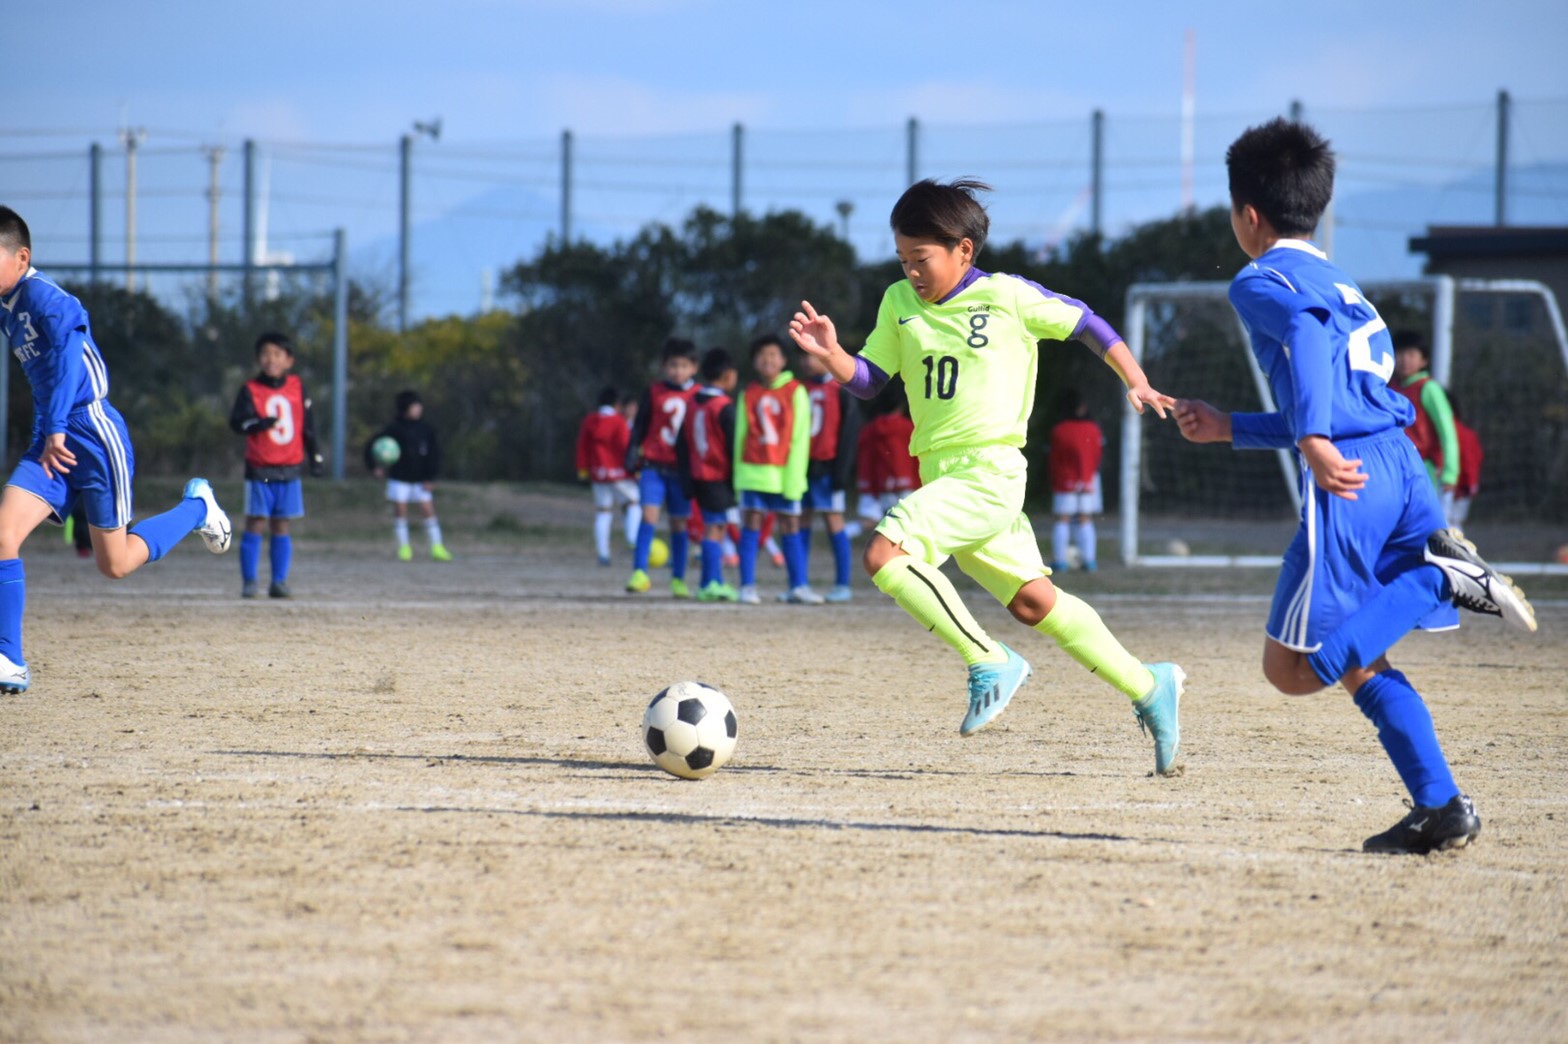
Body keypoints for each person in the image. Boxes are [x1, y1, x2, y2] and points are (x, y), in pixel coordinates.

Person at [1172, 118, 1538, 853]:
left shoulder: (1261, 278)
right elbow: (1347, 401)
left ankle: (1437, 578)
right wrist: (1232, 426)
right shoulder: (1341, 280)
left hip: (1353, 483)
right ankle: (1441, 806)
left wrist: (1308, 436)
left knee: (1293, 669)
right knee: (1361, 658)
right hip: (1397, 466)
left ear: (1249, 214)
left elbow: (1307, 344)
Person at [787, 178, 1185, 774]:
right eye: (903, 259)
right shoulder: (898, 303)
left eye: (921, 259)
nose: (912, 271)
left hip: (991, 473)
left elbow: (1087, 324)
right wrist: (833, 355)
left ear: (964, 250)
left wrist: (1135, 377)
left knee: (884, 553)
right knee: (1033, 602)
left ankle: (988, 660)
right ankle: (1150, 687)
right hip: (943, 476)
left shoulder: (1008, 297)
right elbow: (871, 381)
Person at [0, 205, 231, 693]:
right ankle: (10, 660)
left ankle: (197, 508)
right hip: (51, 440)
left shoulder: (48, 299)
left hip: (91, 432)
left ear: (22, 257)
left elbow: (68, 365)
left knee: (117, 563)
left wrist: (58, 424)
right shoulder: (9, 303)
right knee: (2, 534)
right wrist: (49, 430)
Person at [228, 331, 325, 598]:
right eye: (265, 354)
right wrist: (258, 424)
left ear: (288, 360)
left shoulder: (297, 387)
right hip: (261, 469)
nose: (270, 360)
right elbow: (237, 423)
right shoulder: (250, 389)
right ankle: (250, 581)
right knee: (256, 522)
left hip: (290, 468)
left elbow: (308, 425)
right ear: (259, 359)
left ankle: (278, 581)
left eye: (277, 354)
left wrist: (315, 456)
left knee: (282, 524)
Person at [734, 333, 817, 605]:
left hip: (784, 475)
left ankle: (799, 586)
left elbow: (800, 437)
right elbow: (740, 436)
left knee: (791, 525)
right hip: (753, 473)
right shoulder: (748, 393)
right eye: (761, 356)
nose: (767, 360)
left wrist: (795, 479)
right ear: (754, 362)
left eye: (772, 355)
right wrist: (738, 477)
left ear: (783, 360)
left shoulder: (796, 390)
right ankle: (747, 586)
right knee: (751, 526)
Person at [625, 338, 699, 596]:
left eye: (683, 365)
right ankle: (639, 573)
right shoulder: (654, 392)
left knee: (680, 524)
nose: (677, 371)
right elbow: (641, 425)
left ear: (694, 368)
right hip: (653, 467)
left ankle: (678, 578)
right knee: (648, 517)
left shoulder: (698, 395)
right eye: (672, 365)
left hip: (681, 472)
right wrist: (632, 451)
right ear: (664, 367)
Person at [798, 348, 862, 602]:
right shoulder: (798, 389)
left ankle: (842, 584)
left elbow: (849, 435)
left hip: (828, 468)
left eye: (811, 355)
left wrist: (841, 473)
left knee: (833, 520)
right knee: (799, 520)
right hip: (802, 469)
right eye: (803, 356)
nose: (806, 360)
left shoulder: (842, 389)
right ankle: (799, 582)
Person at [677, 348, 741, 602]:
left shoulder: (692, 402)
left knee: (713, 527)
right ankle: (712, 582)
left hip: (697, 474)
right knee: (715, 529)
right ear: (727, 375)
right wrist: (736, 480)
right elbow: (733, 446)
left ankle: (708, 581)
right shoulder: (724, 406)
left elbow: (681, 442)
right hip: (717, 476)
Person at [364, 389, 450, 562]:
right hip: (399, 477)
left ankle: (437, 547)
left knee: (427, 509)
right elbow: (372, 446)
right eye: (414, 407)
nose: (418, 410)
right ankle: (404, 547)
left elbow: (435, 454)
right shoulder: (394, 429)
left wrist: (431, 477)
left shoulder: (426, 429)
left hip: (421, 478)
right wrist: (375, 466)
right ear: (405, 408)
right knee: (400, 509)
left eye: (419, 406)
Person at [1391, 329, 1461, 520]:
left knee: (1427, 525)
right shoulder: (1390, 389)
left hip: (1423, 469)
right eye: (1400, 354)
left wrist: (1450, 473)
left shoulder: (1429, 388)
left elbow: (1448, 431)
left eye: (1411, 354)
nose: (1405, 360)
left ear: (1423, 360)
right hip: (1394, 470)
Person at [575, 385, 639, 566]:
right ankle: (632, 540)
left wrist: (583, 468)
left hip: (598, 473)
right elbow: (626, 446)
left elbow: (582, 446)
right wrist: (636, 468)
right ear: (617, 404)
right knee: (633, 503)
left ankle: (603, 554)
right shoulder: (619, 422)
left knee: (603, 511)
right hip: (620, 474)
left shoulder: (590, 420)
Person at [1046, 388, 1104, 572]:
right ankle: (1089, 560)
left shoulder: (1059, 430)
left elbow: (1054, 458)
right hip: (1088, 479)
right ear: (1082, 408)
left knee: (1062, 520)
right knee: (1085, 519)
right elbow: (1097, 455)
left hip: (1065, 481)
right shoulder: (1093, 429)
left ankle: (1060, 561)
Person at [856, 393, 919, 530]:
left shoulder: (870, 429)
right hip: (907, 483)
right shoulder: (908, 427)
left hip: (883, 482)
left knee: (887, 524)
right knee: (908, 524)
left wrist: (868, 484)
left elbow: (867, 459)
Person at [1446, 392, 1483, 529]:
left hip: (1457, 489)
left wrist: (1468, 485)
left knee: (1451, 526)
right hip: (1460, 488)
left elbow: (1471, 462)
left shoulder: (1461, 434)